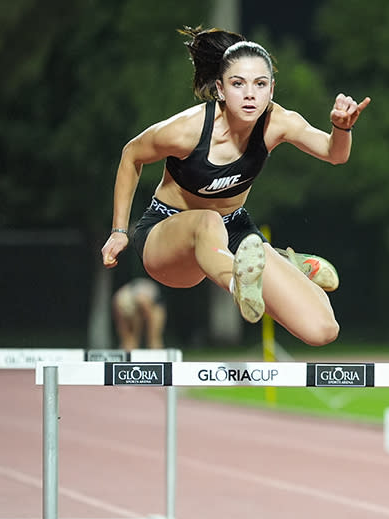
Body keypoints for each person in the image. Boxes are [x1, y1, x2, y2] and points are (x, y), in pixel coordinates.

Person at [100, 26, 369, 346]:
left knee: (323, 330)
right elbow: (131, 154)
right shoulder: (186, 130)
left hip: (234, 233)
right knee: (207, 220)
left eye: (260, 84)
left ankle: (275, 263)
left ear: (272, 89)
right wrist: (118, 232)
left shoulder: (279, 122)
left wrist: (341, 128)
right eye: (238, 84)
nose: (250, 94)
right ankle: (241, 283)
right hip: (169, 236)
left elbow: (334, 154)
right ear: (221, 89)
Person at [112, 277, 166, 351]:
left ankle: (156, 353)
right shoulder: (118, 302)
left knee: (154, 338)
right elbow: (122, 327)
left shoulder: (142, 300)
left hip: (152, 301)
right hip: (133, 298)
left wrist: (146, 334)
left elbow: (149, 317)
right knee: (128, 341)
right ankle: (128, 353)